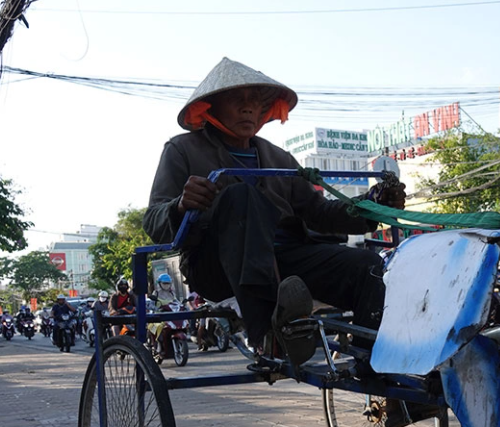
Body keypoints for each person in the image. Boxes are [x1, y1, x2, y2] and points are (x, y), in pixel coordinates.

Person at [142, 57, 404, 366]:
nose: (248, 108)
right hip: (217, 265)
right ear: (211, 107)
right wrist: (181, 205)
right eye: (237, 100)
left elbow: (318, 212)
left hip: (286, 260)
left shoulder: (279, 157)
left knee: (368, 265)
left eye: (255, 102)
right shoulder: (182, 150)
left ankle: (374, 368)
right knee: (242, 196)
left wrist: (372, 204)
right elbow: (154, 219)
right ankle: (266, 333)